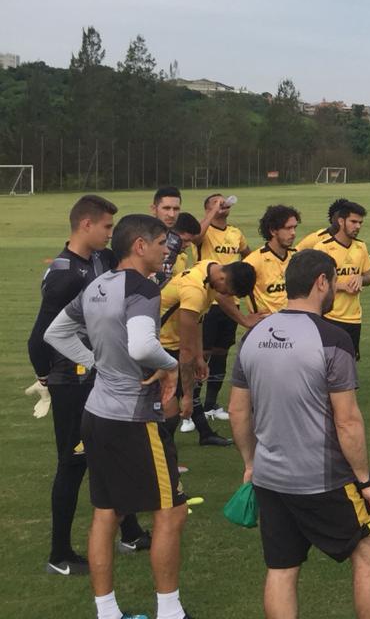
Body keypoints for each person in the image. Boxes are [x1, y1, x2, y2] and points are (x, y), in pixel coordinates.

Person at [229, 249, 370, 619]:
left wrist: (251, 464)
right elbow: (347, 421)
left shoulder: (253, 336)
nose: (335, 288)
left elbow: (238, 410)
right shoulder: (333, 338)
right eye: (333, 281)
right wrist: (367, 481)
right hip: (323, 479)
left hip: (270, 478)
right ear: (322, 282)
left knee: (282, 570)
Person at [43, 214, 189, 619]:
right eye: (162, 243)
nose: (167, 252)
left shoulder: (95, 285)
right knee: (171, 510)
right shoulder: (142, 288)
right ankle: (170, 611)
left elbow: (55, 333)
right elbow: (143, 348)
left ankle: (107, 612)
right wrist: (172, 364)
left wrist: (95, 364)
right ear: (139, 246)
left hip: (97, 414)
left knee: (107, 512)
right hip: (134, 418)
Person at [26, 195, 150, 575]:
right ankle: (59, 555)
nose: (111, 235)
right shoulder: (65, 274)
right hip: (72, 380)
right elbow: (41, 336)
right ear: (85, 225)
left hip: (98, 377)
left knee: (109, 452)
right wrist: (48, 377)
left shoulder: (100, 259)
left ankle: (128, 531)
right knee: (73, 463)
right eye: (107, 228)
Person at [160, 256, 259, 444]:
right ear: (222, 279)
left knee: (170, 406)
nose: (227, 295)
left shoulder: (210, 267)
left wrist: (199, 357)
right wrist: (188, 396)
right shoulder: (194, 291)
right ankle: (161, 463)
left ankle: (193, 441)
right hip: (162, 346)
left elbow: (198, 321)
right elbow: (186, 350)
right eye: (229, 291)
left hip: (170, 343)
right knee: (169, 411)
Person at [193, 193, 251, 419]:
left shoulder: (235, 233)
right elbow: (196, 237)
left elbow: (248, 256)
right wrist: (211, 212)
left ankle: (211, 405)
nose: (221, 204)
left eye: (222, 201)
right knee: (202, 354)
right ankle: (192, 410)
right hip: (208, 300)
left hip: (231, 300)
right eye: (215, 202)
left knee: (221, 352)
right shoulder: (205, 231)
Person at [313, 201, 370, 358]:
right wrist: (341, 286)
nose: (358, 226)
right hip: (329, 316)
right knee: (325, 364)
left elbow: (369, 277)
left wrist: (361, 278)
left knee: (349, 364)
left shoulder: (361, 247)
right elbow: (315, 282)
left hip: (354, 318)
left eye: (360, 223)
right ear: (341, 221)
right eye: (353, 222)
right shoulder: (323, 247)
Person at [244, 205, 300, 316]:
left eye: (294, 227)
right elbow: (223, 294)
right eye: (288, 228)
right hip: (266, 328)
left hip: (293, 325)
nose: (293, 233)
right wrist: (244, 320)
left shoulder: (297, 258)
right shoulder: (253, 262)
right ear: (273, 231)